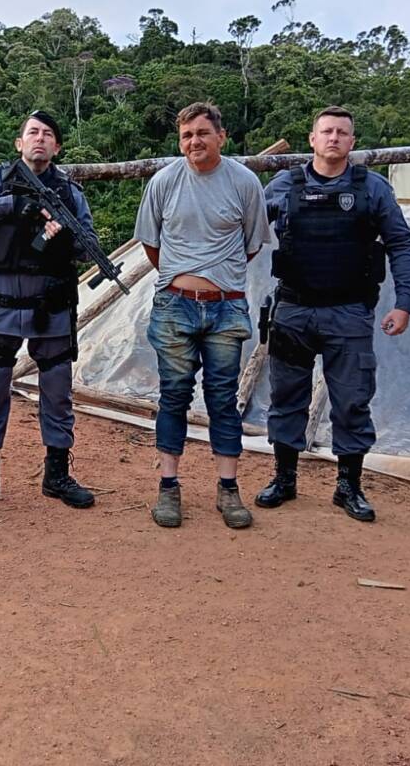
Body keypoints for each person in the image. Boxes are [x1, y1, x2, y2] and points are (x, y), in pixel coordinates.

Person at [257, 106, 410, 522]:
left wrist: (404, 303)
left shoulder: (372, 189)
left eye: (341, 133)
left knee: (351, 401)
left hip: (348, 312)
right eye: (326, 131)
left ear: (352, 141)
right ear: (312, 139)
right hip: (293, 309)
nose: (333, 138)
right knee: (286, 398)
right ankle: (285, 478)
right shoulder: (283, 185)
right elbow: (247, 230)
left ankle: (348, 486)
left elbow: (400, 244)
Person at [135, 102, 270, 529]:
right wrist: (182, 278)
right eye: (187, 135)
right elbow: (152, 244)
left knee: (223, 399)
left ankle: (228, 489)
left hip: (227, 308)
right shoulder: (164, 182)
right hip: (174, 305)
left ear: (221, 136)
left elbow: (252, 243)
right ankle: (169, 488)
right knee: (173, 395)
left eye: (202, 133)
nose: (194, 141)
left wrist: (217, 278)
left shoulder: (245, 183)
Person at [0, 111, 96, 512]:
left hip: (51, 305)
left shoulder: (69, 192)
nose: (40, 139)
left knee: (57, 391)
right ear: (19, 143)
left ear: (57, 147)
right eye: (32, 132)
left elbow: (88, 245)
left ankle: (57, 475)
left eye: (48, 134)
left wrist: (62, 234)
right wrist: (12, 206)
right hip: (0, 304)